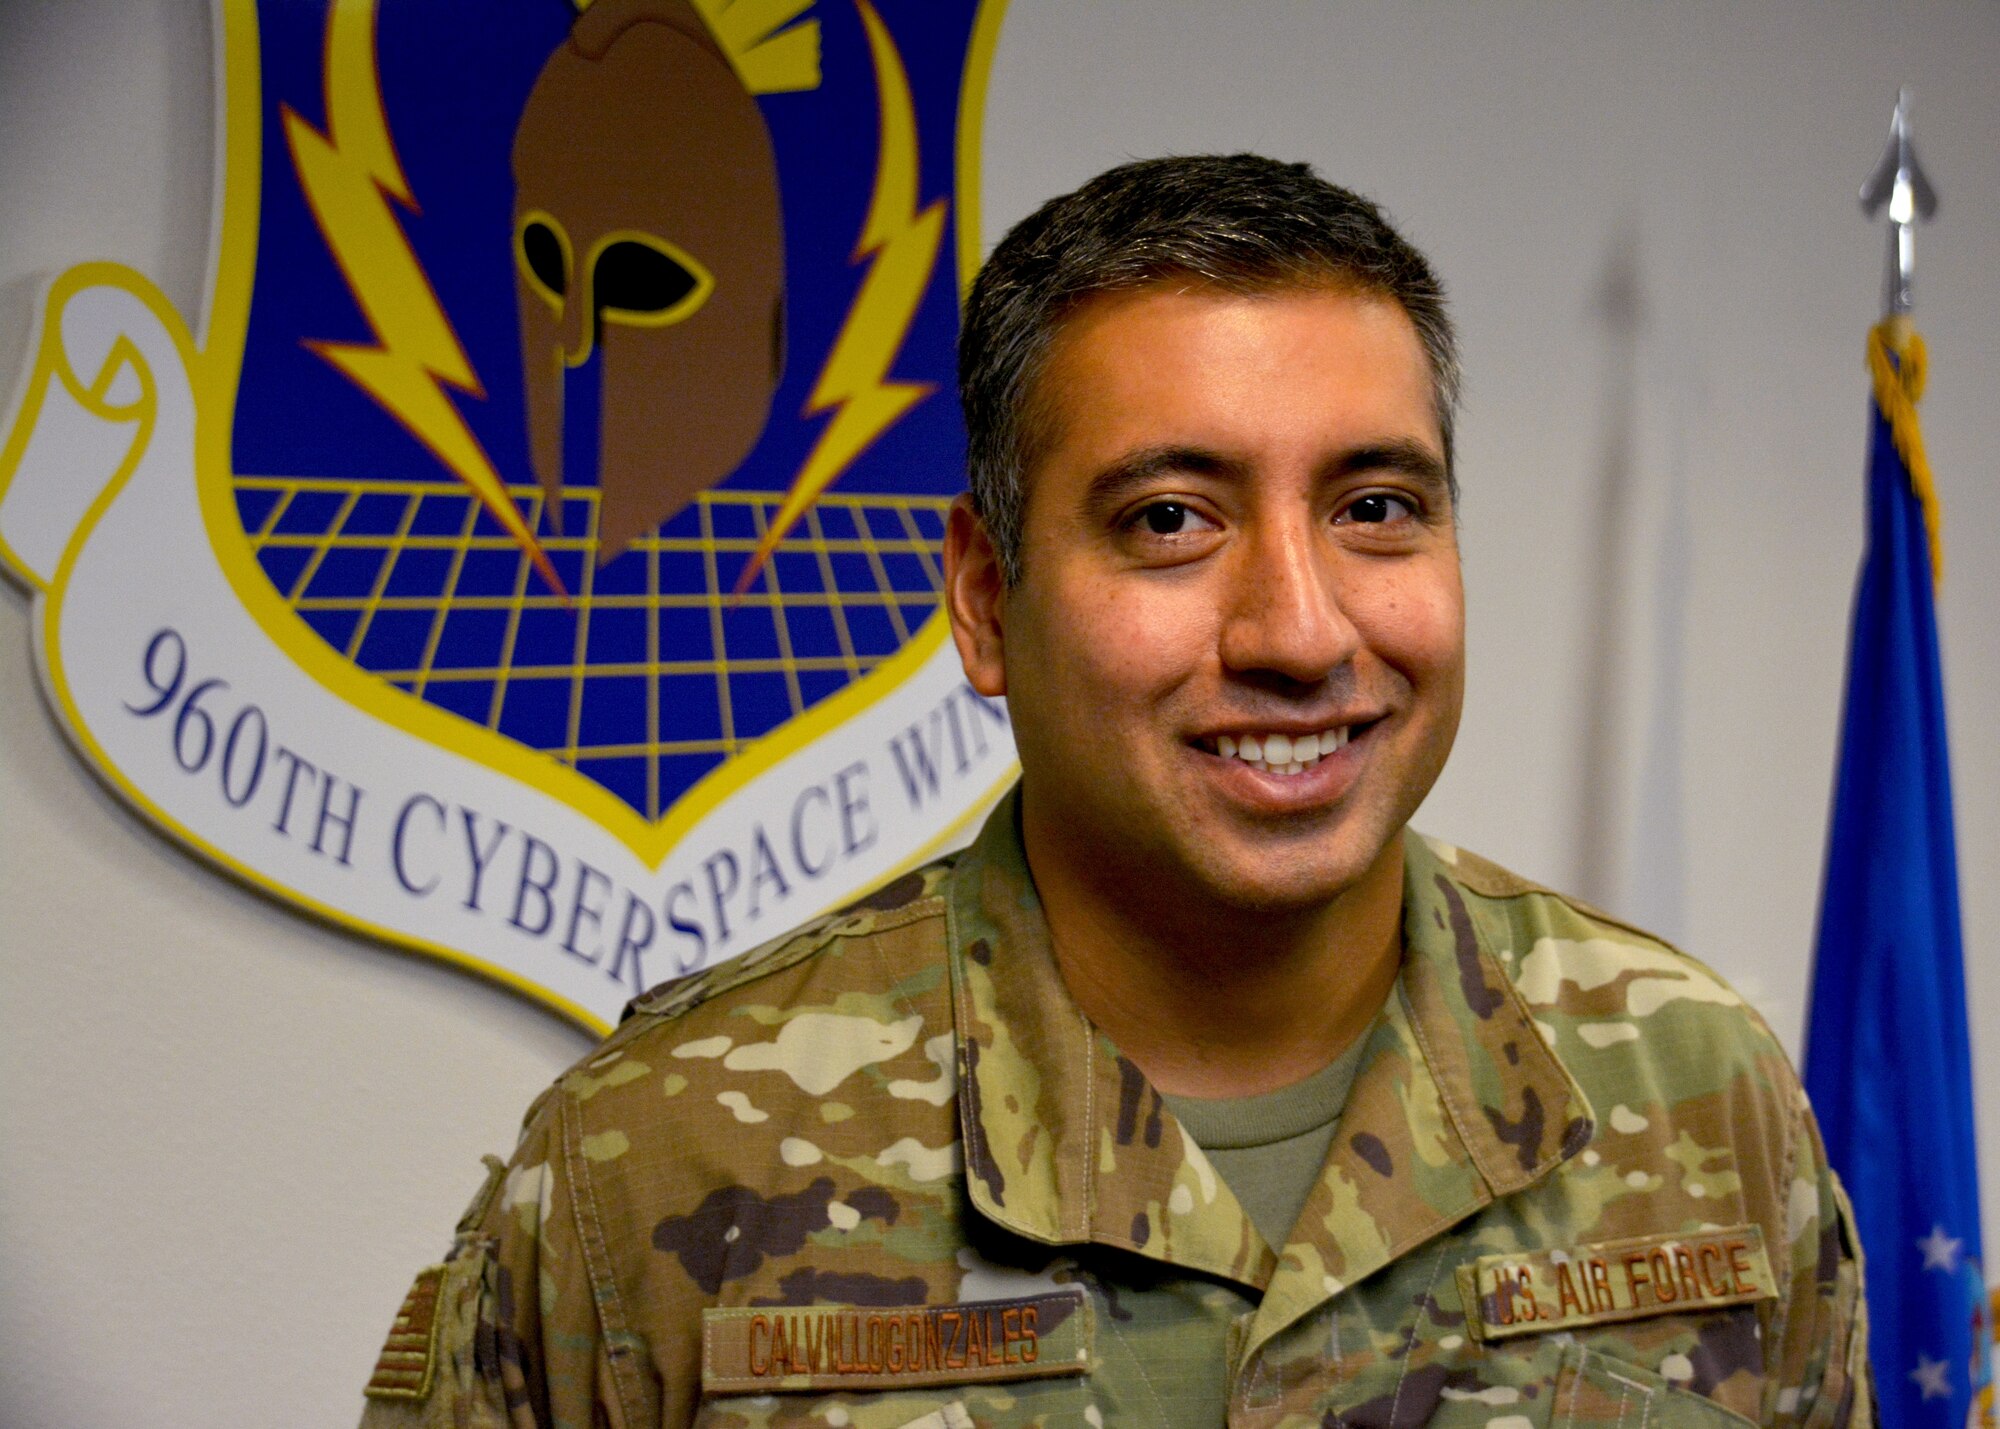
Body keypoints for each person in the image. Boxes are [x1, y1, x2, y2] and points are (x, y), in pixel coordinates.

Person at [358, 155, 1870, 1429]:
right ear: (985, 594)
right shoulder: (656, 1173)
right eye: (1169, 517)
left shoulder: (1699, 1093)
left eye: (1376, 507)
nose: (1300, 629)